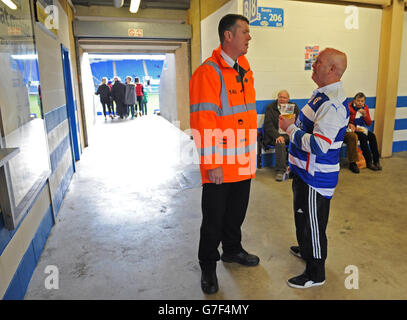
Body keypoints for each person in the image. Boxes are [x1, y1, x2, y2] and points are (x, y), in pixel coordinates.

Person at [190, 14, 258, 295]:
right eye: (244, 32)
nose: (249, 37)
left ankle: (232, 250)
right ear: (228, 36)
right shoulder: (208, 72)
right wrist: (212, 163)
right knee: (213, 220)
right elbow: (202, 122)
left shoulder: (244, 67)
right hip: (220, 166)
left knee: (236, 215)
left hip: (244, 162)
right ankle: (208, 265)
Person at [279, 48, 349, 288]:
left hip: (315, 178)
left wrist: (290, 129)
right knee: (304, 219)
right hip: (304, 172)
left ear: (331, 69)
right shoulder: (321, 94)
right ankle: (307, 249)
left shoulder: (333, 104)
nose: (313, 63)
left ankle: (315, 272)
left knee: (314, 224)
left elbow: (319, 146)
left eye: (318, 61)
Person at [263, 90, 300, 181]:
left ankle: (296, 169)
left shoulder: (293, 107)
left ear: (288, 99)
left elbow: (299, 122)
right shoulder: (271, 107)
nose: (282, 99)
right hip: (275, 135)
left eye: (284, 97)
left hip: (289, 133)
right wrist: (277, 136)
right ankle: (281, 171)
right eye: (280, 97)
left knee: (300, 140)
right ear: (277, 98)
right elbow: (268, 125)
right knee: (280, 141)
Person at [349, 92, 382, 171]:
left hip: (361, 128)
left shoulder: (365, 108)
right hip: (352, 128)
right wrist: (350, 124)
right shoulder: (349, 107)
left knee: (372, 136)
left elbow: (369, 123)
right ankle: (369, 162)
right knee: (363, 137)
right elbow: (344, 120)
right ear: (354, 101)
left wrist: (365, 116)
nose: (360, 103)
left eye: (362, 101)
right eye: (358, 100)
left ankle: (376, 161)